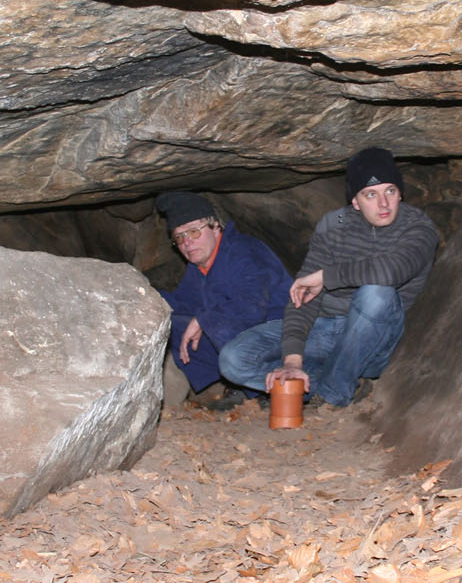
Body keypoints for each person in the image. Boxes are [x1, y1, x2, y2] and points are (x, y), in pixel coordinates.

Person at [219, 147, 438, 407]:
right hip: (324, 330)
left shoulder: (418, 228)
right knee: (233, 359)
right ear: (355, 201)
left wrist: (327, 276)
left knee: (377, 293)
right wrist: (292, 360)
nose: (383, 204)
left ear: (400, 193)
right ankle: (323, 380)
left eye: (390, 191)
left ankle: (333, 392)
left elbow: (391, 271)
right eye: (371, 194)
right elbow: (303, 295)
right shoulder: (334, 226)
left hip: (375, 334)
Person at [155, 191, 293, 407]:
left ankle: (270, 388)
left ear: (215, 227)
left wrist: (204, 320)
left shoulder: (244, 252)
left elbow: (252, 308)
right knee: (171, 323)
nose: (187, 243)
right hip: (245, 340)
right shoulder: (198, 266)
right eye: (179, 238)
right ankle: (241, 387)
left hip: (283, 336)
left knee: (216, 324)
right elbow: (182, 304)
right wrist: (148, 299)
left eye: (193, 232)